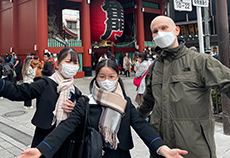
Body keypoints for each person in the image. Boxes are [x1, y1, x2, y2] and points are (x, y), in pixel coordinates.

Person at [19, 59, 188, 158]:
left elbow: (142, 126)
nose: (106, 80)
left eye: (111, 76)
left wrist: (163, 149)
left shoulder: (125, 102)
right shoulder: (85, 102)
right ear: (96, 78)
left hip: (120, 154)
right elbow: (66, 126)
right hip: (92, 153)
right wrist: (41, 150)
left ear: (117, 78)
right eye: (102, 76)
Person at [137, 15, 230, 158]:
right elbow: (147, 103)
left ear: (176, 30)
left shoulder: (200, 61)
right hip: (162, 149)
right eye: (155, 31)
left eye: (164, 28)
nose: (160, 33)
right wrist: (126, 117)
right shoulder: (154, 68)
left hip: (194, 148)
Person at [0, 47, 82, 153]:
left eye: (75, 62)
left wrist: (76, 109)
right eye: (68, 61)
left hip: (67, 142)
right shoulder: (46, 84)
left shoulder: (75, 91)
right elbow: (18, 92)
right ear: (59, 64)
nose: (72, 66)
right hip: (45, 138)